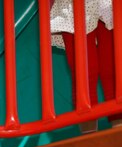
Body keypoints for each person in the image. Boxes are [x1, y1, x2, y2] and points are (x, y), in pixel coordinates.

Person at [50, 0, 122, 133]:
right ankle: (89, 138)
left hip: (108, 5)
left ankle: (118, 133)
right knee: (84, 75)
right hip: (72, 7)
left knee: (113, 71)